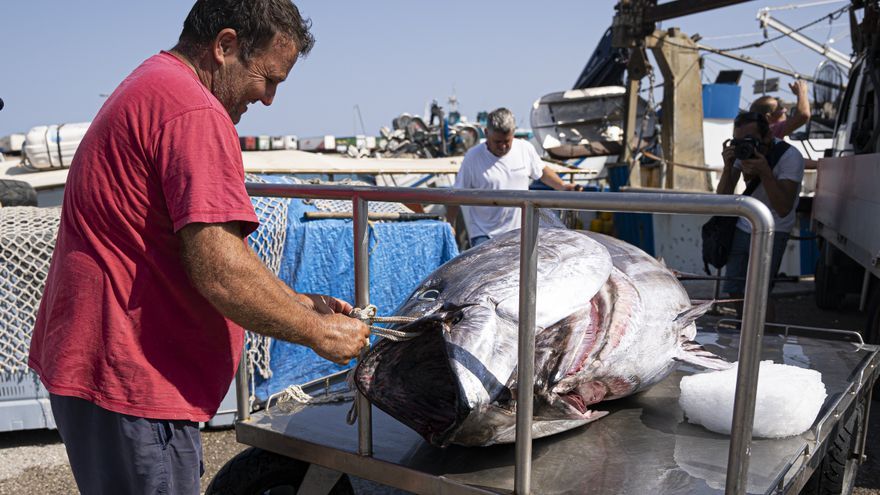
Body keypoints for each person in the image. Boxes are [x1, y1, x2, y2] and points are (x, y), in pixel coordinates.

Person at [27, 1, 371, 493]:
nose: (270, 99)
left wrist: (297, 301)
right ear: (225, 46)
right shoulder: (194, 111)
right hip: (133, 382)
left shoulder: (156, 83)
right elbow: (220, 270)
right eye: (267, 78)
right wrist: (320, 333)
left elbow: (195, 250)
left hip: (105, 369)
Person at [445, 107, 581, 247]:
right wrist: (449, 225)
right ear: (486, 133)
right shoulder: (472, 157)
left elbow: (542, 172)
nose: (503, 146)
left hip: (520, 232)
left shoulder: (524, 149)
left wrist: (563, 186)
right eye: (498, 142)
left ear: (513, 133)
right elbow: (457, 194)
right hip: (484, 233)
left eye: (507, 141)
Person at [716, 111, 805, 318]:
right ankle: (743, 327)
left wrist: (765, 172)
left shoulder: (790, 157)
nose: (744, 146)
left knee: (760, 291)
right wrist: (728, 167)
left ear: (766, 137)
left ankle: (766, 337)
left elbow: (783, 207)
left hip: (775, 229)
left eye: (749, 141)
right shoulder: (744, 152)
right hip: (744, 225)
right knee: (735, 287)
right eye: (738, 142)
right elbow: (722, 199)